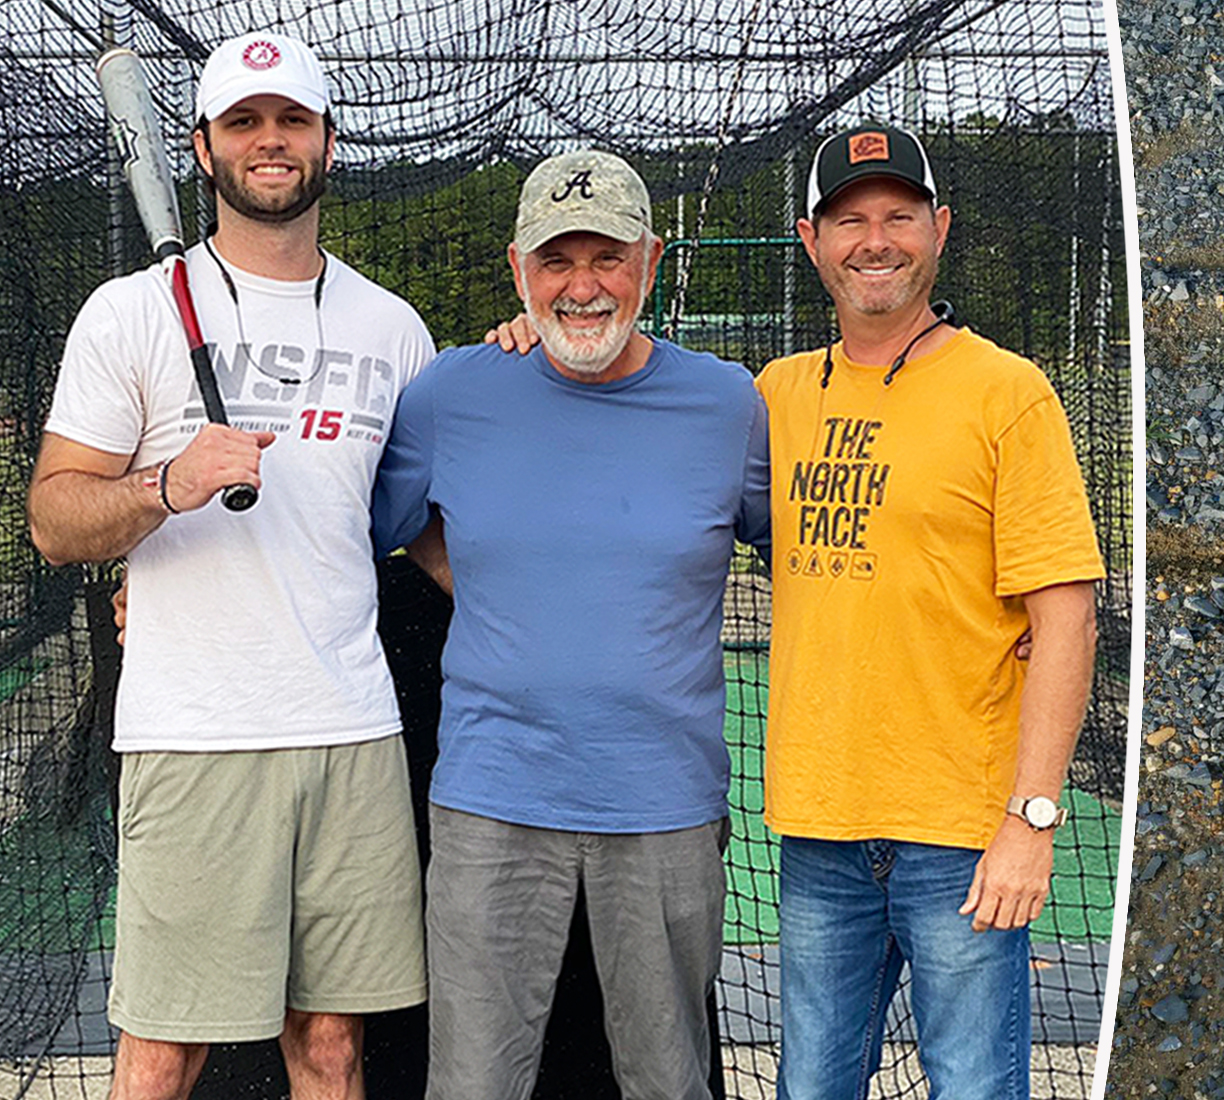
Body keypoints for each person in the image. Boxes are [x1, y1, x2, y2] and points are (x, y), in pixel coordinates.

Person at [26, 31, 431, 1100]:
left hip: (351, 725)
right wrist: (164, 486)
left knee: (333, 1047)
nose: (270, 142)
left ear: (328, 143)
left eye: (291, 120)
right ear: (202, 148)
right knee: (163, 1053)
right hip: (196, 733)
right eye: (244, 122)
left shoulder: (392, 328)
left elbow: (427, 515)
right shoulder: (128, 314)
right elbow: (53, 520)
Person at [369, 149, 768, 1100]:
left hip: (667, 805)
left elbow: (808, 554)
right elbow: (377, 523)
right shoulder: (450, 394)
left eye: (607, 258)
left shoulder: (730, 405)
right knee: (471, 1084)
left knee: (670, 1082)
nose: (582, 287)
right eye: (558, 261)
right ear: (519, 269)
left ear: (650, 261)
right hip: (489, 800)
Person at [761, 125, 1102, 1098]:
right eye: (851, 218)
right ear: (811, 239)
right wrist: (531, 333)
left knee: (971, 1085)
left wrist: (1030, 819)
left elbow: (1067, 617)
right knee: (811, 1084)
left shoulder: (1008, 392)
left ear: (939, 228)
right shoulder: (778, 395)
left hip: (962, 830)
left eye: (899, 216)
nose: (877, 239)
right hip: (819, 823)